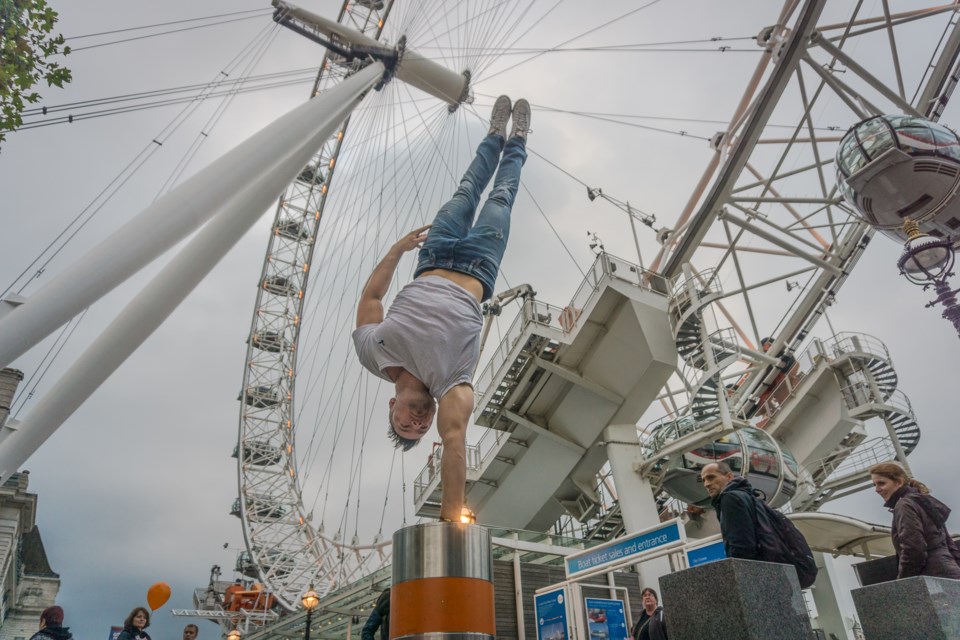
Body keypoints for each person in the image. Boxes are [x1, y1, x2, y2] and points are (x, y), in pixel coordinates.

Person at [353, 95, 530, 522]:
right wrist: (453, 518)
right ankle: (519, 140)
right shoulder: (451, 386)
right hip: (479, 264)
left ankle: (493, 133)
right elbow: (454, 441)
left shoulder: (372, 354)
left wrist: (397, 249)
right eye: (419, 428)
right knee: (501, 196)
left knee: (468, 186)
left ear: (391, 410)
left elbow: (371, 299)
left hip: (433, 254)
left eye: (404, 425)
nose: (416, 422)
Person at [869, 462, 960, 579]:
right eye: (874, 485)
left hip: (933, 576)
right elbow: (949, 544)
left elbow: (914, 548)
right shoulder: (923, 502)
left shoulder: (904, 505)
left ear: (899, 482)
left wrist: (904, 581)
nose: (877, 489)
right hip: (950, 573)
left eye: (881, 483)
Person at [700, 462, 760, 560]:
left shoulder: (730, 498)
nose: (706, 484)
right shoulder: (746, 495)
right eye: (704, 480)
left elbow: (741, 545)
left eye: (711, 477)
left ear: (729, 477)